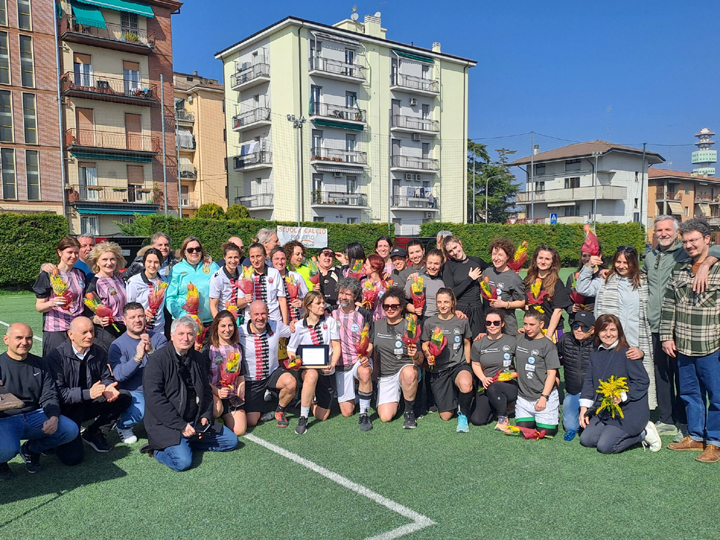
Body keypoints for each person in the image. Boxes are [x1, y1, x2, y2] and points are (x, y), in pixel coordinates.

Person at [644, 215, 720, 440]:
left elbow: (715, 248)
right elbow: (668, 302)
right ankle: (684, 429)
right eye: (686, 241)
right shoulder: (665, 262)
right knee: (680, 386)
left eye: (693, 240)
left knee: (710, 391)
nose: (689, 245)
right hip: (672, 335)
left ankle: (708, 436)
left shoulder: (702, 262)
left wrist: (707, 263)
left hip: (704, 338)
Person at [142, 316, 238, 471]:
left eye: (190, 334)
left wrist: (205, 415)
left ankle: (188, 441)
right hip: (167, 424)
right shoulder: (157, 360)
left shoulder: (198, 358)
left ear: (194, 337)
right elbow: (155, 399)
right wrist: (181, 426)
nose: (185, 338)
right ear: (172, 335)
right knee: (182, 463)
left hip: (195, 420)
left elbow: (206, 391)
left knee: (231, 442)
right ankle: (157, 449)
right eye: (181, 334)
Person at [576, 245, 656, 409]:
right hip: (611, 341)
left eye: (626, 262)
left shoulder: (644, 281)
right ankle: (606, 407)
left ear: (634, 262)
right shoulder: (605, 281)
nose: (621, 266)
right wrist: (589, 266)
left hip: (635, 340)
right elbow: (582, 288)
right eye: (618, 262)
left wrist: (642, 349)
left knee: (636, 378)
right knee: (611, 376)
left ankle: (637, 412)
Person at [48, 317, 131, 465]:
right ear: (70, 335)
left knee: (123, 396)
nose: (90, 336)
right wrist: (88, 394)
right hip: (66, 409)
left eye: (92, 331)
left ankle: (94, 432)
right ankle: (52, 439)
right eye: (84, 332)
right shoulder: (56, 357)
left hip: (89, 402)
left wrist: (108, 387)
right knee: (73, 459)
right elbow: (57, 393)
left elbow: (106, 377)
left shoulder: (98, 351)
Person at [0, 323, 78, 480]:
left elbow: (49, 395)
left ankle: (30, 450)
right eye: (19, 338)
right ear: (6, 340)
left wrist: (53, 417)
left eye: (28, 338)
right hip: (5, 418)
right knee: (6, 450)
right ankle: (2, 462)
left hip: (34, 414)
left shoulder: (40, 363)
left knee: (70, 430)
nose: (24, 342)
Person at [579, 315, 661, 453]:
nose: (608, 334)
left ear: (619, 332)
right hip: (605, 411)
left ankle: (643, 433)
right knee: (587, 440)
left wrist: (622, 395)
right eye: (604, 330)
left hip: (629, 412)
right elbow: (589, 381)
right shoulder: (595, 353)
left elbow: (642, 381)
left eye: (612, 330)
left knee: (605, 446)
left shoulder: (628, 353)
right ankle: (610, 431)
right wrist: (584, 409)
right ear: (597, 332)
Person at [108, 303, 167, 444]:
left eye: (140, 316)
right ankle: (123, 425)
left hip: (160, 388)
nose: (137, 320)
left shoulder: (159, 338)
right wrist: (137, 358)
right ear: (124, 320)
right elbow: (119, 375)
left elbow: (166, 367)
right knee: (141, 410)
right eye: (132, 317)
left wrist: (151, 351)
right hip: (134, 391)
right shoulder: (117, 345)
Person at [287, 291, 341, 435]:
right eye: (318, 303)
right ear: (308, 306)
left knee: (322, 416)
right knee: (311, 375)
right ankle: (303, 417)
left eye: (323, 302)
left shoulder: (330, 322)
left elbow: (336, 346)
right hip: (307, 369)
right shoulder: (299, 325)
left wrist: (332, 363)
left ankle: (310, 399)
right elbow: (291, 349)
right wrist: (295, 361)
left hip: (326, 369)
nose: (322, 306)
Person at [420, 288, 473, 432]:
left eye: (446, 302)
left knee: (466, 384)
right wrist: (428, 355)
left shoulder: (462, 320)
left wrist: (467, 365)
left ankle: (463, 414)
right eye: (439, 302)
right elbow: (425, 344)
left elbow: (467, 343)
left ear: (452, 303)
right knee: (446, 416)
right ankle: (456, 396)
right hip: (439, 369)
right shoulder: (430, 322)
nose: (442, 305)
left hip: (458, 365)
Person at [237, 301, 297, 428]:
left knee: (291, 382)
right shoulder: (240, 331)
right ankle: (268, 407)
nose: (260, 317)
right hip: (251, 381)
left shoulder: (276, 326)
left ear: (268, 313)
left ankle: (280, 409)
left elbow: (295, 331)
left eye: (263, 313)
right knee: (251, 421)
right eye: (256, 314)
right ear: (249, 315)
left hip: (272, 374)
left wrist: (295, 324)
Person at [371, 287, 423, 428]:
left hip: (405, 369)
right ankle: (399, 399)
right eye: (386, 306)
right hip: (386, 374)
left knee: (409, 373)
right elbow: (374, 353)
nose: (390, 309)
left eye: (394, 306)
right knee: (385, 417)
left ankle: (409, 412)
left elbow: (420, 359)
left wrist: (415, 355)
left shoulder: (409, 325)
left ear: (401, 307)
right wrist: (374, 375)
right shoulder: (377, 325)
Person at [404, 248, 445, 415]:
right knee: (419, 360)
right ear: (425, 262)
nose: (433, 266)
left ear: (441, 264)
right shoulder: (416, 278)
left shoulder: (443, 281)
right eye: (430, 263)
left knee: (431, 360)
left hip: (436, 324)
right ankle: (418, 403)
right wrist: (413, 308)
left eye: (436, 263)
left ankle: (431, 400)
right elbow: (403, 298)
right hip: (420, 321)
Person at [331, 277, 374, 430]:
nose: (343, 297)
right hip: (340, 364)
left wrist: (366, 357)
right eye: (341, 293)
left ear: (355, 296)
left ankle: (364, 413)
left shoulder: (363, 314)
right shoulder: (330, 312)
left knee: (365, 372)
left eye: (348, 294)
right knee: (347, 412)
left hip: (357, 360)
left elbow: (370, 341)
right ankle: (360, 394)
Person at [33, 237, 87, 356]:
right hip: (56, 329)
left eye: (76, 252)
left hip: (76, 329)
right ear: (59, 252)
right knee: (56, 364)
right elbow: (39, 307)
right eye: (69, 252)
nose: (73, 256)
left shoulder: (80, 274)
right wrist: (52, 303)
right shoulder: (48, 274)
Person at [514, 310, 561, 437]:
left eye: (532, 324)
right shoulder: (519, 339)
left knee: (546, 432)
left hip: (543, 395)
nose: (527, 328)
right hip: (524, 397)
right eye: (525, 324)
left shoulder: (548, 345)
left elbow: (552, 374)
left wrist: (543, 398)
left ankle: (552, 410)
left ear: (541, 324)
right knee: (523, 428)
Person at [470, 308, 518, 432]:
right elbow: (475, 363)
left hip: (507, 385)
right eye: (488, 323)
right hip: (486, 384)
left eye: (496, 323)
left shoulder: (512, 341)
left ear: (502, 324)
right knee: (477, 420)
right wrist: (483, 378)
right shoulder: (478, 344)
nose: (492, 326)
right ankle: (501, 406)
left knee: (494, 387)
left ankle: (503, 416)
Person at [203, 310, 246, 437]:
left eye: (230, 325)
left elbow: (240, 374)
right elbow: (203, 379)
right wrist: (217, 391)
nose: (227, 329)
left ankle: (224, 416)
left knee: (239, 431)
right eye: (223, 326)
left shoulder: (238, 347)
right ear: (216, 327)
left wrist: (241, 390)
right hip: (213, 393)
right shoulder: (208, 349)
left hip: (231, 395)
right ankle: (216, 417)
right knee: (217, 410)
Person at [557, 311, 595, 441]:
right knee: (570, 426)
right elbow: (552, 355)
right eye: (576, 326)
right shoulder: (565, 339)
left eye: (584, 327)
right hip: (573, 392)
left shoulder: (598, 343)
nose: (579, 330)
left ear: (592, 330)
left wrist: (639, 352)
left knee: (592, 426)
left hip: (593, 394)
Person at [166, 236, 220, 328]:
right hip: (184, 321)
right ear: (184, 252)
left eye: (197, 249)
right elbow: (170, 297)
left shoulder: (213, 266)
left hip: (210, 322)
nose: (194, 252)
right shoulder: (176, 270)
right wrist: (181, 314)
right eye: (190, 250)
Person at [442, 235, 488, 338]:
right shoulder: (448, 267)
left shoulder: (477, 261)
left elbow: (492, 274)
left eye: (455, 247)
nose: (454, 252)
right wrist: (469, 279)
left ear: (460, 243)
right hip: (460, 312)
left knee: (478, 342)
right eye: (450, 251)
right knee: (459, 343)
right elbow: (451, 294)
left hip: (477, 310)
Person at [85, 241, 128, 351]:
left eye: (112, 259)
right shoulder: (95, 283)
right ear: (97, 262)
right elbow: (87, 312)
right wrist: (96, 319)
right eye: (104, 259)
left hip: (124, 328)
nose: (109, 263)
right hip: (107, 332)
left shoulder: (119, 279)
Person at [523, 245, 571, 341]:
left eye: (547, 259)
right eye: (540, 258)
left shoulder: (557, 283)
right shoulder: (528, 280)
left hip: (551, 331)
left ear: (553, 262)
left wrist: (548, 335)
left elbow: (558, 311)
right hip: (533, 330)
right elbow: (525, 304)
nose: (543, 261)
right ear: (535, 259)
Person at [481, 238, 526, 335]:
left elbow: (522, 302)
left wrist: (505, 304)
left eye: (500, 255)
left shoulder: (514, 278)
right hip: (490, 326)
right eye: (494, 254)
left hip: (507, 328)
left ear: (508, 256)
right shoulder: (487, 273)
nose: (496, 258)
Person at [126, 248, 169, 334]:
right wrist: (141, 312)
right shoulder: (134, 281)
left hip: (159, 329)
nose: (152, 265)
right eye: (149, 261)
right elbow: (129, 306)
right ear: (144, 262)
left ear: (161, 264)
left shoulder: (164, 281)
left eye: (156, 262)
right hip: (140, 328)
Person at [243, 243, 288, 324]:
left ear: (265, 256)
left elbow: (281, 299)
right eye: (252, 257)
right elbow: (239, 303)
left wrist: (285, 324)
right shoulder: (245, 275)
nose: (255, 260)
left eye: (258, 256)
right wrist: (245, 300)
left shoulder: (274, 273)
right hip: (252, 321)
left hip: (273, 319)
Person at [209, 242, 248, 319]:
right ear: (224, 257)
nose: (233, 261)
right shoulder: (217, 277)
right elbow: (213, 305)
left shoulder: (243, 272)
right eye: (230, 257)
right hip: (225, 316)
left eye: (236, 257)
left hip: (242, 315)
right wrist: (218, 322)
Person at [271, 246, 308, 322]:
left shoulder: (296, 277)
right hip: (276, 320)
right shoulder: (269, 278)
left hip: (296, 318)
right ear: (271, 260)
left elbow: (308, 297)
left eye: (283, 259)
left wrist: (302, 303)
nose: (280, 262)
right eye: (277, 259)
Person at [565, 248, 600, 323]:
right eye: (584, 256)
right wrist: (571, 308)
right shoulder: (572, 277)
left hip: (597, 320)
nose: (587, 259)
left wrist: (596, 306)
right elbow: (566, 298)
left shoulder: (603, 275)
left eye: (590, 256)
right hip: (577, 320)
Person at [362, 254, 388, 321]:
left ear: (374, 268)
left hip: (382, 321)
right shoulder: (363, 284)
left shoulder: (386, 286)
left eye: (366, 264)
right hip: (366, 320)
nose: (364, 266)